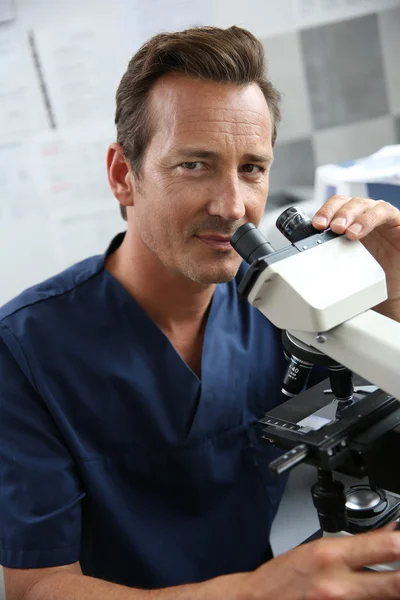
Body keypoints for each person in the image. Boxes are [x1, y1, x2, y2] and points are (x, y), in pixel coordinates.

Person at [1, 25, 400, 600]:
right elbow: (36, 587)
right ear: (123, 176)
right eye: (194, 165)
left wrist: (389, 289)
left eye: (252, 168)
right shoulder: (25, 349)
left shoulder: (278, 301)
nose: (233, 207)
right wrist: (255, 593)